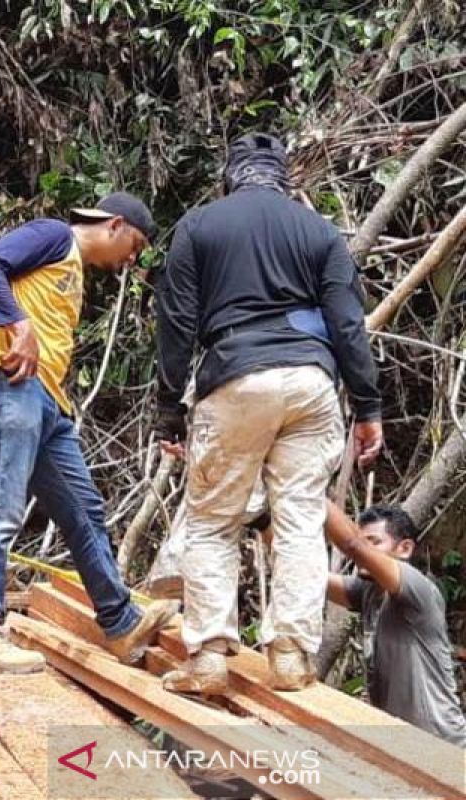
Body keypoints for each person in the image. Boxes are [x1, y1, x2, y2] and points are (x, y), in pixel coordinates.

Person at [153, 133, 384, 694]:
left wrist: (168, 411)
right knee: (301, 520)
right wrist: (368, 405)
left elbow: (177, 321)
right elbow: (347, 324)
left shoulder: (200, 226)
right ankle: (289, 654)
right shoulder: (318, 230)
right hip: (311, 383)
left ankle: (208, 655)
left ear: (230, 178)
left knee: (213, 519)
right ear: (285, 180)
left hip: (235, 377)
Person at [0, 192, 179, 675]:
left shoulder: (70, 266)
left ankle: (120, 624)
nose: (131, 259)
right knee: (1, 506)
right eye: (134, 245)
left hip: (48, 403)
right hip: (8, 385)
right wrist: (17, 326)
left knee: (84, 510)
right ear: (114, 225)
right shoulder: (54, 236)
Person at [325, 501, 466, 747]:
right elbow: (309, 577)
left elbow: (353, 545)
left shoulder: (418, 590)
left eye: (375, 542)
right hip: (402, 744)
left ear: (405, 549)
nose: (365, 552)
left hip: (440, 744)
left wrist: (305, 483)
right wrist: (262, 521)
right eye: (364, 540)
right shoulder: (368, 591)